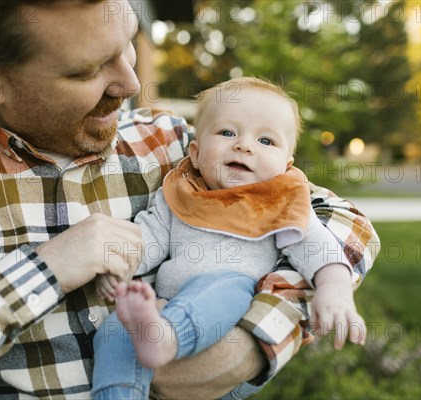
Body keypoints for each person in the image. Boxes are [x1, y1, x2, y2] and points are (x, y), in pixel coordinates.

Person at [0, 1, 380, 399]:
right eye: (87, 69)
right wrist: (43, 271)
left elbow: (340, 220)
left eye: (127, 43)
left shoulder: (170, 141)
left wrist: (252, 343)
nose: (130, 83)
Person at [90, 77, 369, 399]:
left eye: (266, 141)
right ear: (195, 154)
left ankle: (166, 337)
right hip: (166, 311)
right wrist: (119, 263)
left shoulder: (280, 202)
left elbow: (317, 247)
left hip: (229, 321)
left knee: (227, 283)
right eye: (227, 133)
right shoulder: (180, 194)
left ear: (285, 165)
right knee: (114, 332)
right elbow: (149, 238)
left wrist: (334, 289)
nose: (244, 145)